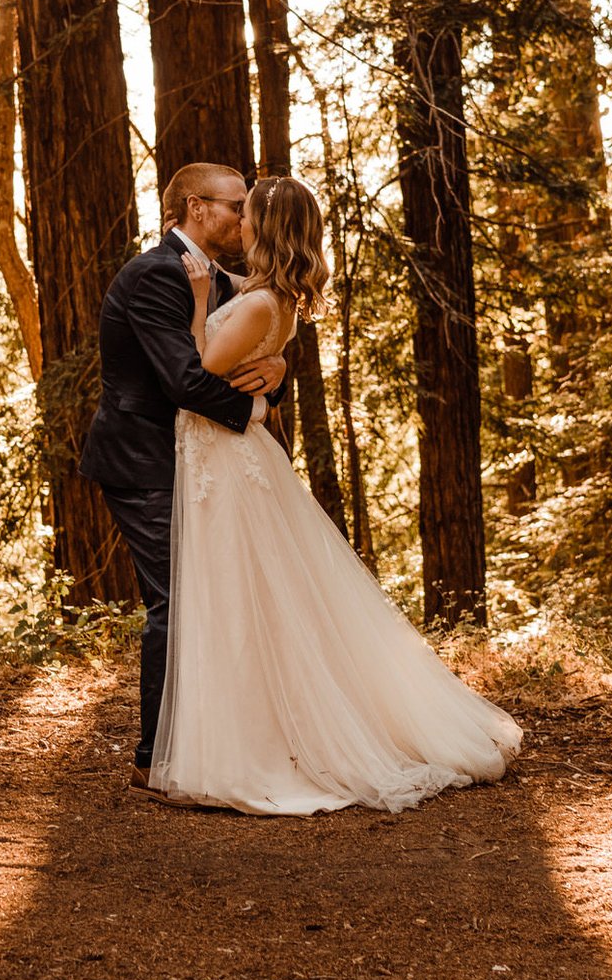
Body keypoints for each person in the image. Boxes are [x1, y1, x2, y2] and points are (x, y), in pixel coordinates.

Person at [152, 176, 521, 814]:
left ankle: (259, 747)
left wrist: (193, 303)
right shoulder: (266, 295)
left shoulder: (267, 301)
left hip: (230, 461)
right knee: (239, 593)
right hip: (221, 453)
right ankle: (236, 736)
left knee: (241, 593)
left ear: (265, 230)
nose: (238, 223)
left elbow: (202, 362)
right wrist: (272, 371)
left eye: (248, 216)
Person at [81, 163, 290, 788]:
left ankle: (209, 740)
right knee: (176, 599)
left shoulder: (217, 280)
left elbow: (237, 352)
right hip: (142, 460)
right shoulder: (154, 275)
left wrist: (275, 371)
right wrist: (256, 409)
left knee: (209, 594)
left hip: (193, 459)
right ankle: (156, 755)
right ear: (196, 208)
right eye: (234, 207)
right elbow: (185, 380)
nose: (242, 218)